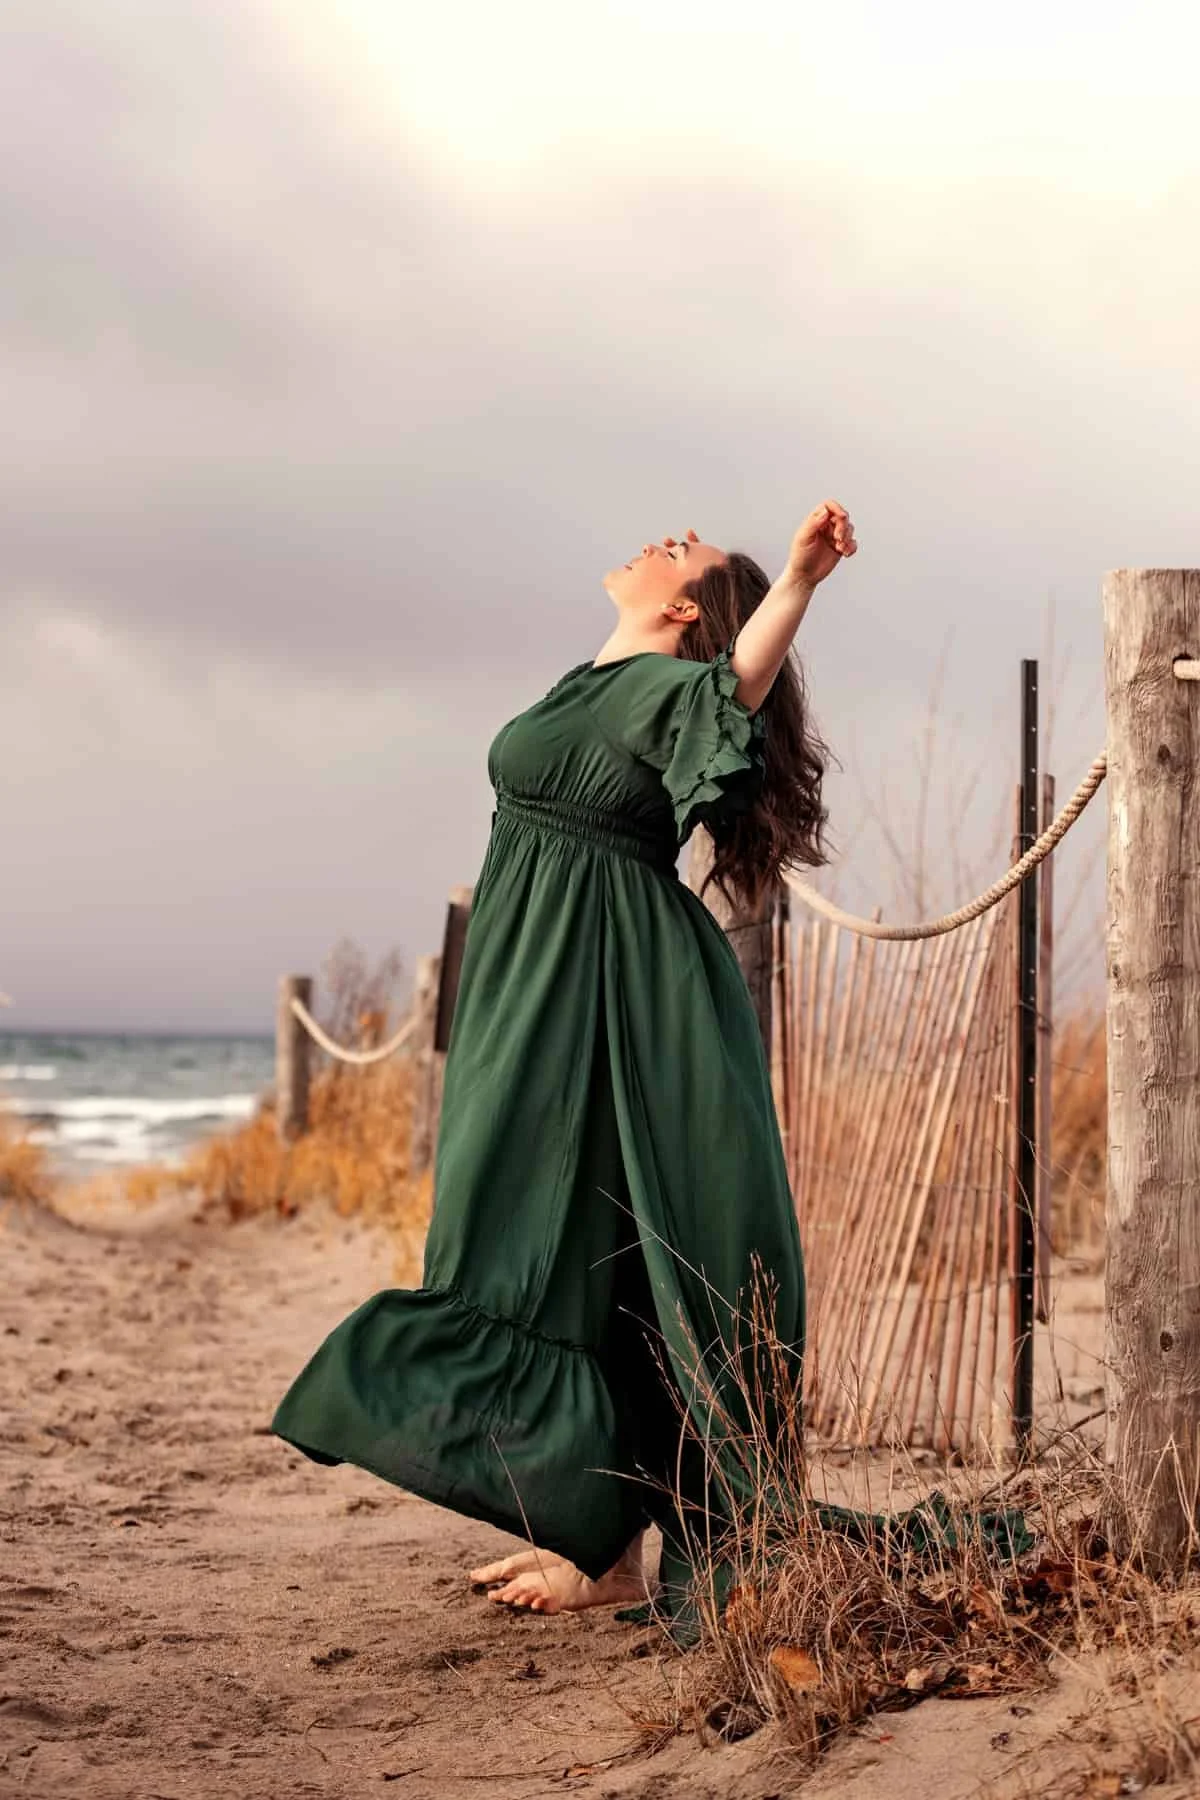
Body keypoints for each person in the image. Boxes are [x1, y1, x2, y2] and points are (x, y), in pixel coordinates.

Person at [271, 501, 858, 1634]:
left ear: (686, 605)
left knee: (596, 1234)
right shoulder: (594, 685)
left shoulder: (668, 689)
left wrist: (794, 581)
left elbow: (733, 684)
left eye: (683, 549)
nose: (663, 533)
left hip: (612, 989)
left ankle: (606, 1549)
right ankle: (604, 1544)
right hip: (541, 981)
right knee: (569, 1234)